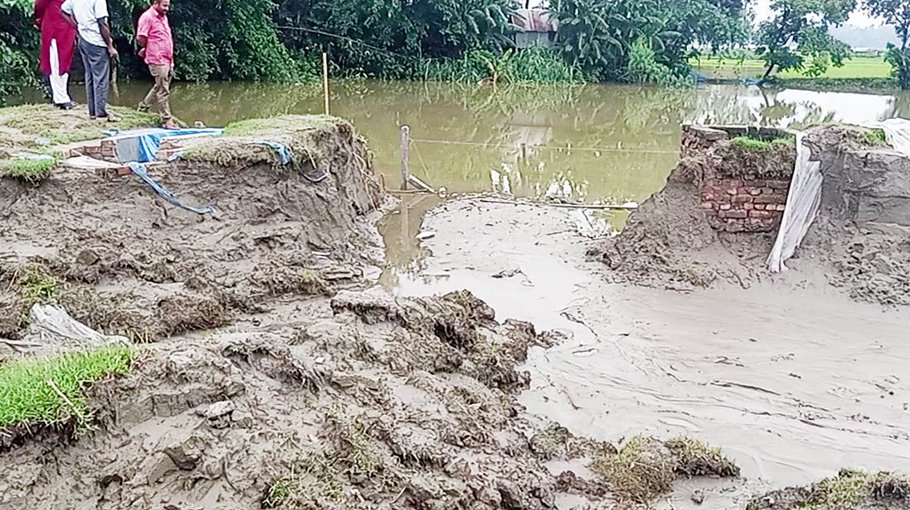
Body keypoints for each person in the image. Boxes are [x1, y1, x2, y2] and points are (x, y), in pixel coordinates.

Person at [61, 0, 119, 122]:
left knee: (90, 76)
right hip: (97, 41)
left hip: (83, 39)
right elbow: (102, 23)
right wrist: (110, 46)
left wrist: (77, 27)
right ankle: (101, 114)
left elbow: (63, 11)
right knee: (101, 78)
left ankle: (93, 112)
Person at [136, 0, 177, 129]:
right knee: (163, 89)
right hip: (157, 58)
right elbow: (140, 37)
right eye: (164, 5)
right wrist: (148, 48)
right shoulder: (147, 17)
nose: (167, 9)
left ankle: (143, 108)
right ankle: (166, 119)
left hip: (167, 58)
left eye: (168, 6)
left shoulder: (163, 17)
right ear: (155, 3)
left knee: (159, 85)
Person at [34, 0, 78, 109]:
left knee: (65, 62)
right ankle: (60, 98)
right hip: (54, 26)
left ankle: (62, 96)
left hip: (67, 26)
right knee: (56, 62)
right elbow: (40, 5)